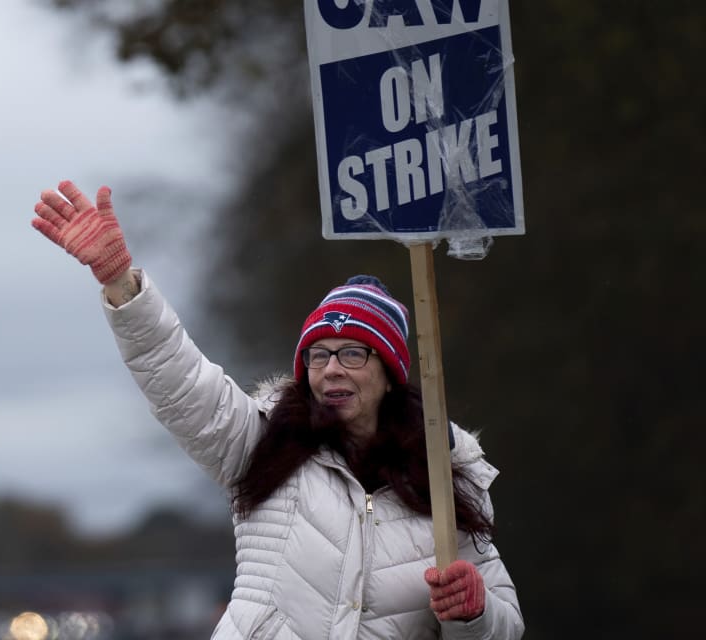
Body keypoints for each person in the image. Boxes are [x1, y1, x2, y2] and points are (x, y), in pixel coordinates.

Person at [31, 180, 524, 639]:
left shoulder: (446, 474)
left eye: (353, 353)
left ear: (391, 371)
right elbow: (177, 378)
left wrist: (474, 612)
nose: (331, 369)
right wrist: (121, 282)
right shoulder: (260, 443)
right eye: (318, 354)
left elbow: (506, 625)